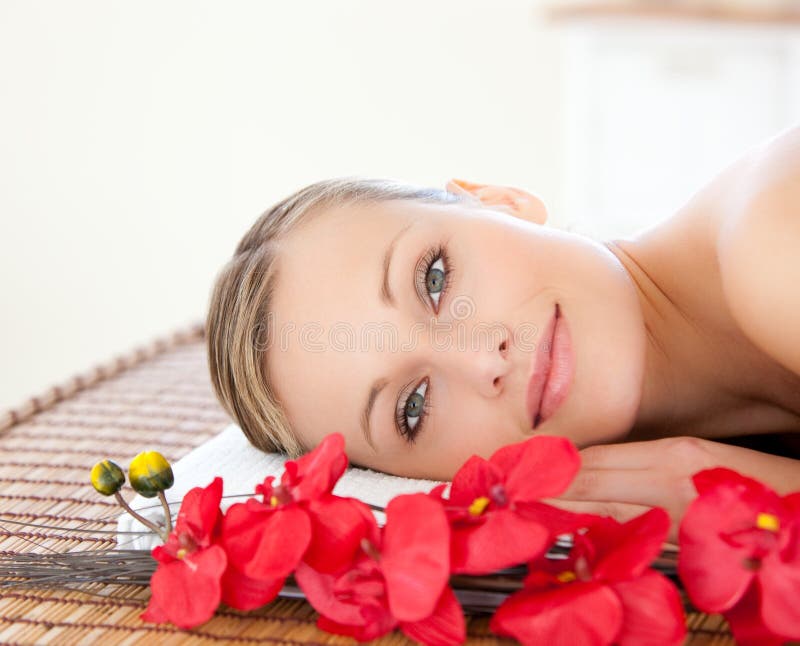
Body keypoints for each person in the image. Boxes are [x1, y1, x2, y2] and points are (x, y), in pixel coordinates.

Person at [206, 123, 800, 539]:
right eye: (413, 407)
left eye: (434, 279)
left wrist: (766, 495)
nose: (480, 361)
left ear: (500, 200)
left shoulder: (771, 244)